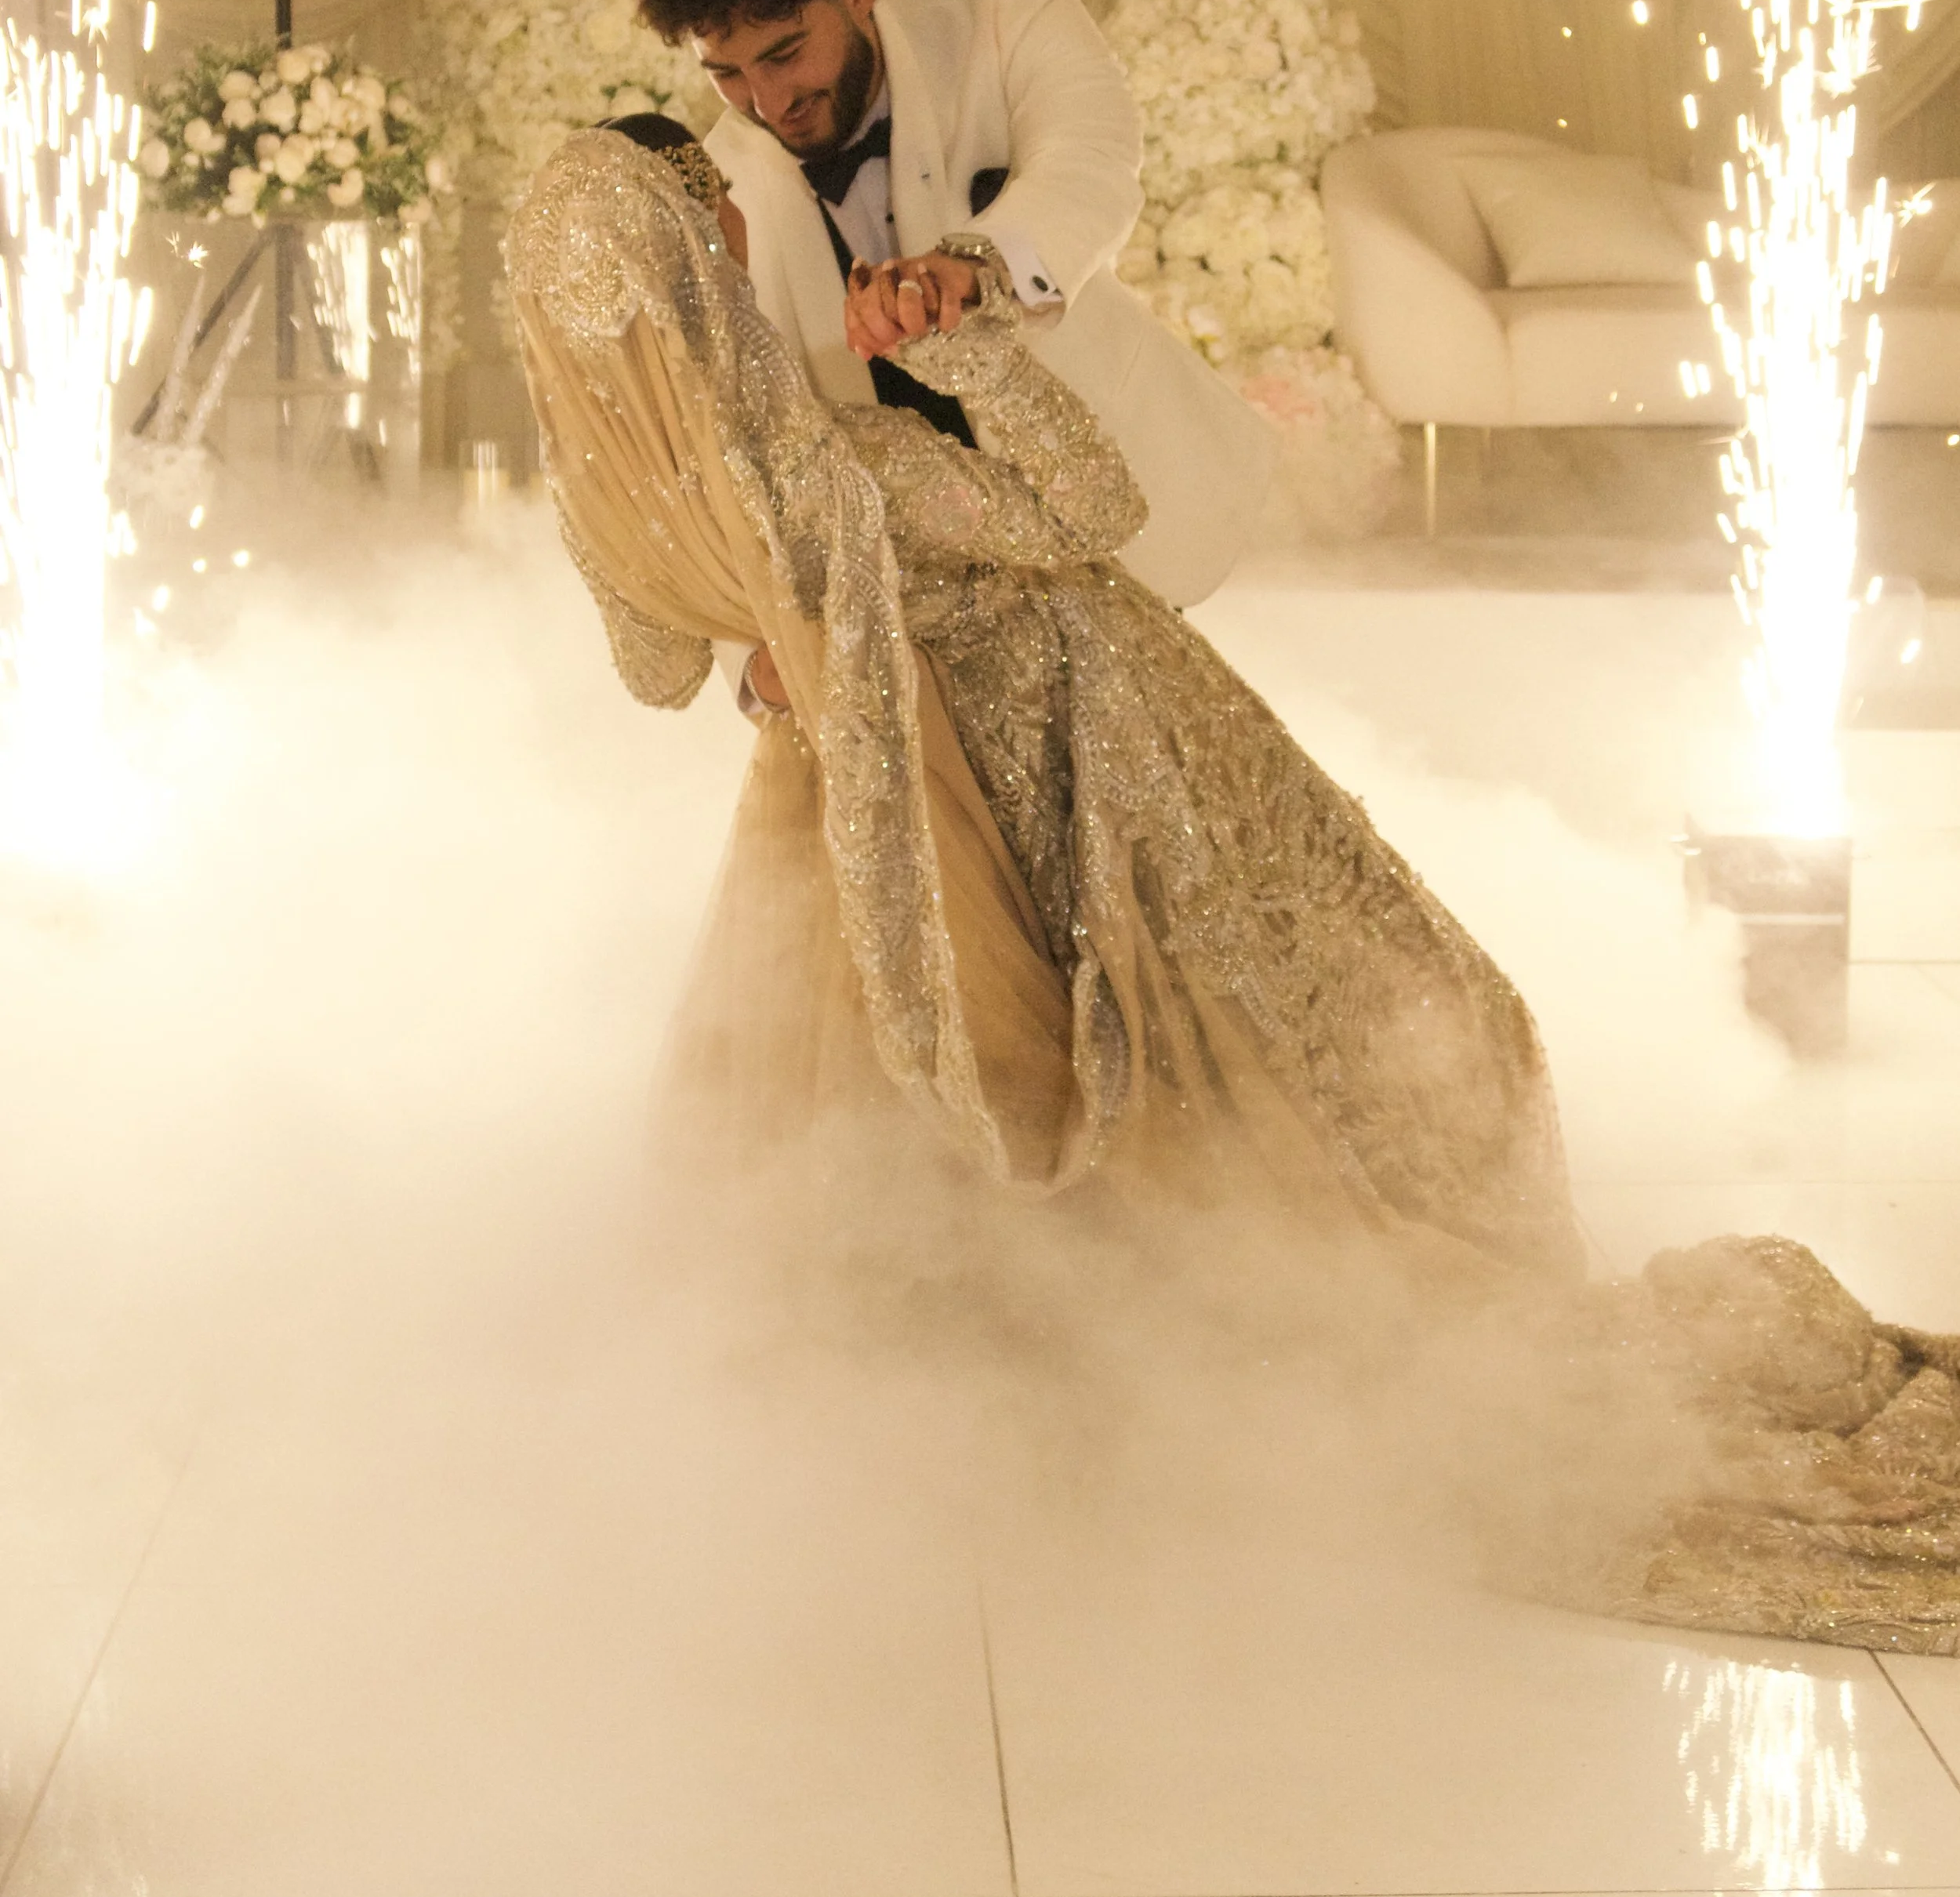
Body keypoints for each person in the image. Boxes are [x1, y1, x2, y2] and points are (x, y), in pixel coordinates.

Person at [509, 113, 1960, 1659]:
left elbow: (664, 664)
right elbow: (1089, 509)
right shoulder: (842, 466)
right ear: (696, 252)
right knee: (1381, 1035)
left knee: (936, 1123)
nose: (741, 243)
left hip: (887, 844)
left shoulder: (640, 510)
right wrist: (979, 354)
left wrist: (781, 629)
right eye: (714, 227)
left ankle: (965, 1394)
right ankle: (1193, 1347)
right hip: (1106, 784)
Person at [637, 0, 1274, 719]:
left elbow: (1092, 166)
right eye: (728, 73)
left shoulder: (1006, 14)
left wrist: (977, 268)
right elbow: (728, 444)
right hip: (918, 630)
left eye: (786, 54)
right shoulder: (721, 192)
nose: (765, 100)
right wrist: (755, 663)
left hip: (1127, 524)